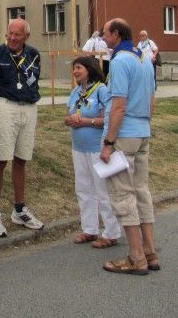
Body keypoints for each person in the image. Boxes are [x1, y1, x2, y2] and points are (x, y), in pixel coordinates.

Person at [99, 18, 158, 275]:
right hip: (143, 131)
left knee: (123, 193)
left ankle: (135, 257)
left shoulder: (120, 61)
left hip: (124, 134)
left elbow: (118, 106)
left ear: (116, 34)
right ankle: (149, 250)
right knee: (141, 191)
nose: (103, 38)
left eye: (105, 33)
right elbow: (152, 99)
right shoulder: (144, 58)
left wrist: (109, 142)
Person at [0, 18, 44, 236]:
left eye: (18, 34)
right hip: (5, 107)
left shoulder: (34, 54)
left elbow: (33, 80)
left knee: (21, 159)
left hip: (29, 107)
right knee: (0, 158)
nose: (13, 38)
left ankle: (19, 209)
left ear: (27, 36)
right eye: (10, 33)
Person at [64, 56, 122, 248]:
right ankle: (89, 229)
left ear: (89, 69)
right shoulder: (75, 92)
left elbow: (108, 119)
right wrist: (70, 120)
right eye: (74, 68)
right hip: (78, 148)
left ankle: (111, 232)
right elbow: (67, 115)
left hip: (97, 148)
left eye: (78, 68)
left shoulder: (102, 90)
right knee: (83, 189)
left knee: (103, 191)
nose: (75, 71)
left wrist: (85, 122)